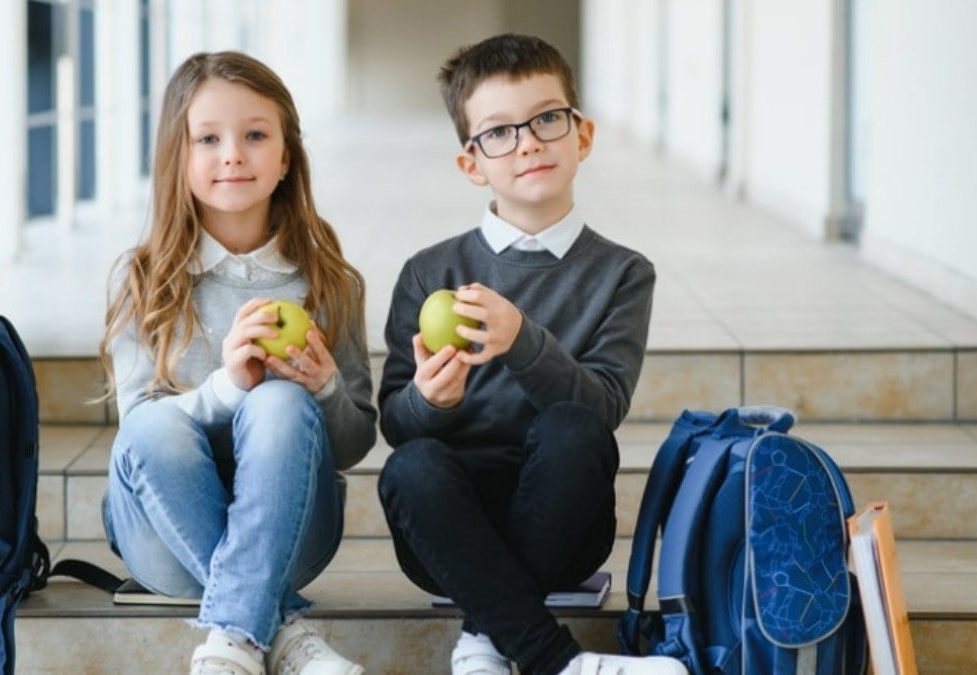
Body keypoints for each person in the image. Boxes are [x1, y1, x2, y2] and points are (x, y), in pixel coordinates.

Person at [376, 34, 686, 675]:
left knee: (574, 427)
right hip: (447, 525)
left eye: (548, 118)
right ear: (471, 164)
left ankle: (485, 638)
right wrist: (430, 401)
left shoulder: (623, 273)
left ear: (583, 135)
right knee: (412, 467)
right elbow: (397, 425)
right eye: (499, 132)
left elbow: (602, 409)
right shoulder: (429, 271)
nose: (528, 142)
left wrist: (521, 338)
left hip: (565, 522)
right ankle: (553, 660)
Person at [99, 51, 375, 675]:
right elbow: (140, 437)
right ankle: (276, 635)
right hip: (162, 539)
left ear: (286, 158)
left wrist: (325, 387)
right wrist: (226, 387)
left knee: (280, 401)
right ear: (179, 157)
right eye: (209, 138)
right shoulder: (142, 279)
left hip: (294, 534)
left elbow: (356, 441)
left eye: (255, 135)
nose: (233, 154)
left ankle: (236, 637)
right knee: (151, 423)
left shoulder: (330, 283)